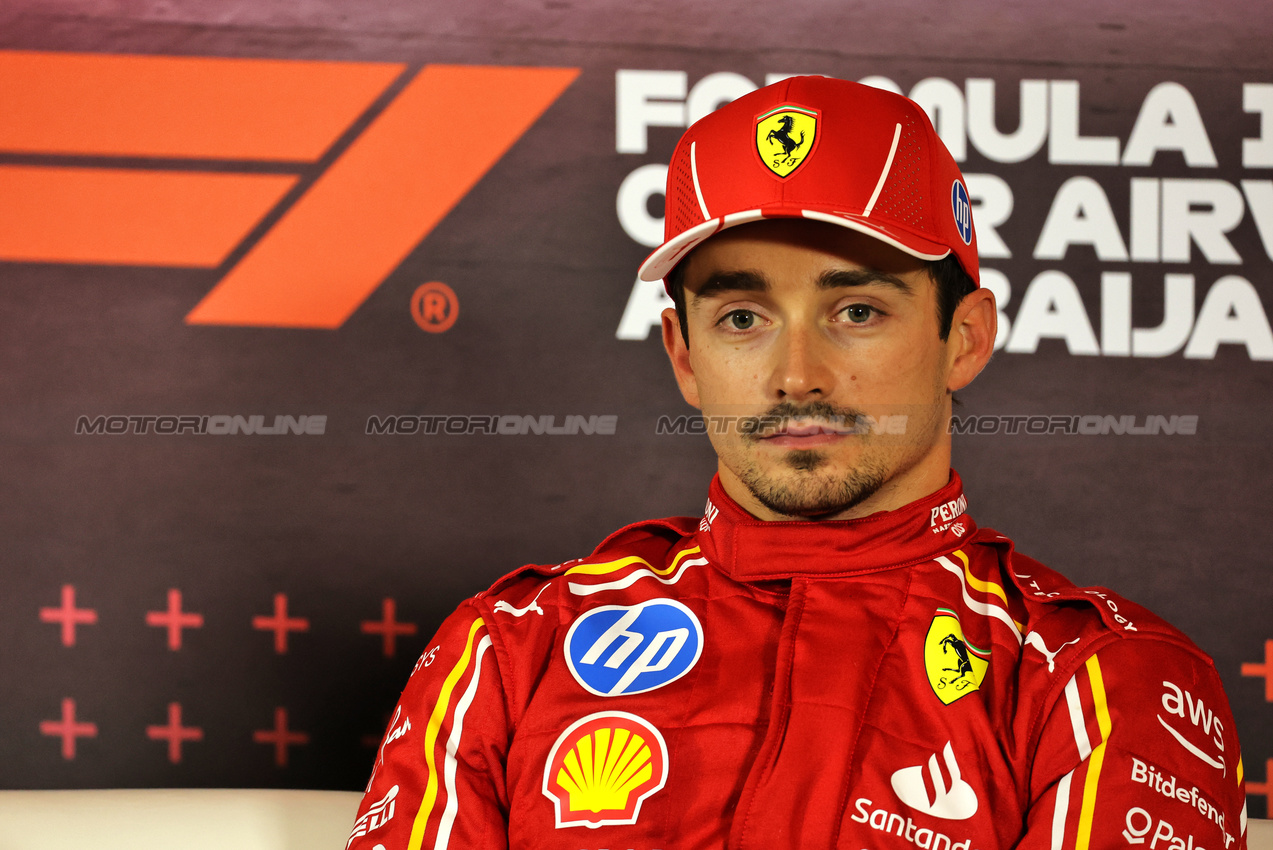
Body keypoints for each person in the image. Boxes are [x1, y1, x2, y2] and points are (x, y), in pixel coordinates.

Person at [346, 76, 1249, 850]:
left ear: (963, 338)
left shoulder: (1103, 679)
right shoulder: (509, 646)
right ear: (685, 356)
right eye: (742, 318)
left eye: (855, 310)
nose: (795, 377)